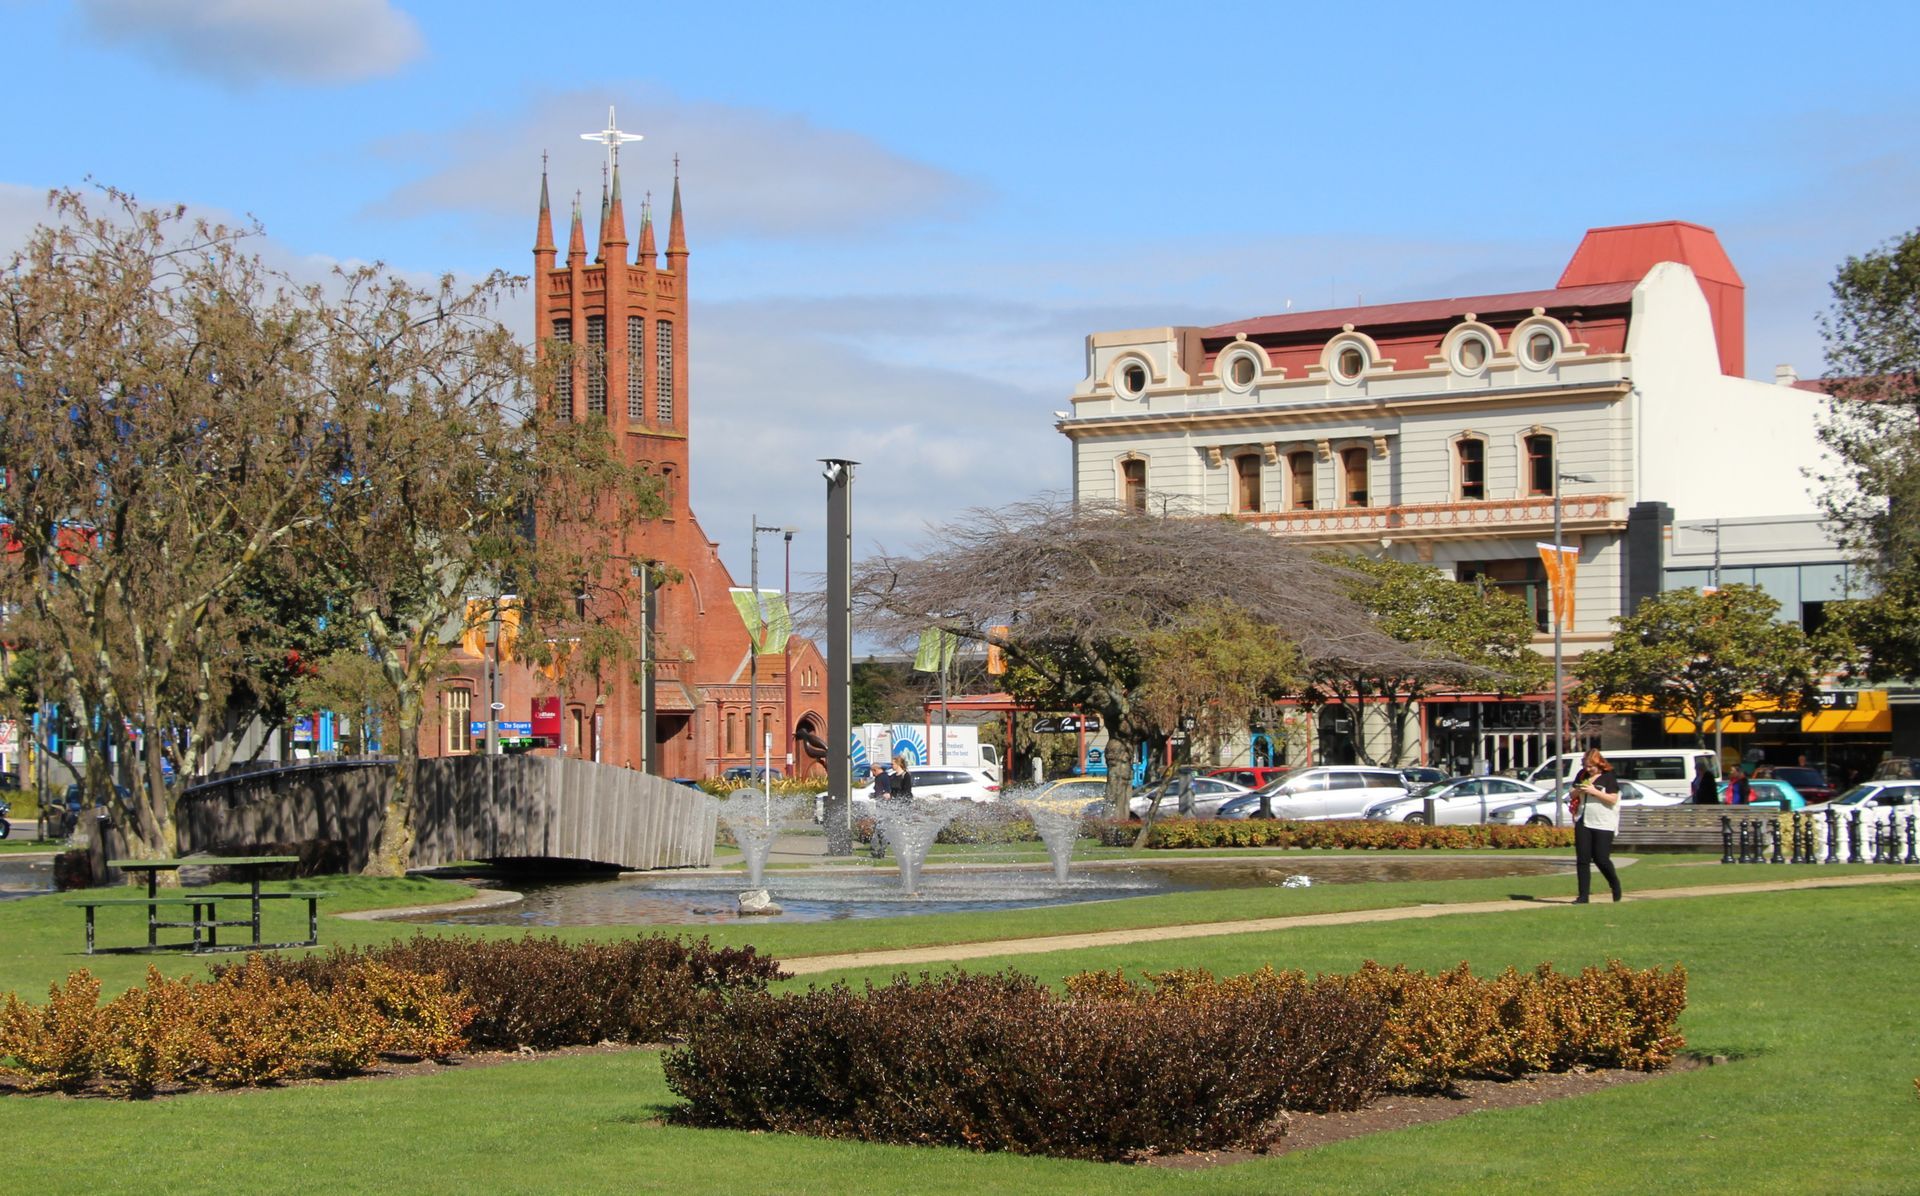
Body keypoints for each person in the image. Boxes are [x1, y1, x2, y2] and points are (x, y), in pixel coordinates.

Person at [1571, 748, 1623, 904]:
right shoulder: (1582, 776)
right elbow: (1571, 794)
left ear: (1598, 764)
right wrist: (1578, 790)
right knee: (1582, 859)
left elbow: (1612, 800)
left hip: (1603, 822)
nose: (1587, 769)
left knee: (1601, 858)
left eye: (1590, 766)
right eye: (1585, 766)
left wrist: (1594, 791)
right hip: (1583, 820)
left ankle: (1615, 884)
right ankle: (1583, 896)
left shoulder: (1609, 778)